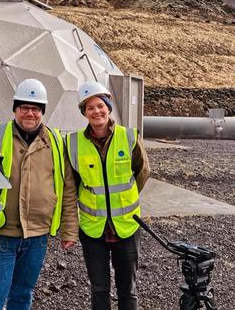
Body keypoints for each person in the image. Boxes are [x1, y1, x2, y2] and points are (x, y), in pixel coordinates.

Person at [0, 79, 78, 310]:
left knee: (23, 294)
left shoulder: (55, 141)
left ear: (42, 112)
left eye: (35, 109)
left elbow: (66, 188)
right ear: (15, 109)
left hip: (38, 234)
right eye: (24, 107)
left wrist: (69, 229)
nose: (30, 113)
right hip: (1, 232)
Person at [65, 81, 150, 310]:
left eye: (100, 105)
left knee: (128, 290)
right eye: (89, 107)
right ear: (84, 112)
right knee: (99, 288)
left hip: (126, 226)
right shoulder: (73, 143)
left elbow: (142, 172)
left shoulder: (129, 137)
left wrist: (123, 199)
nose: (96, 111)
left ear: (108, 106)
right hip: (93, 228)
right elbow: (71, 185)